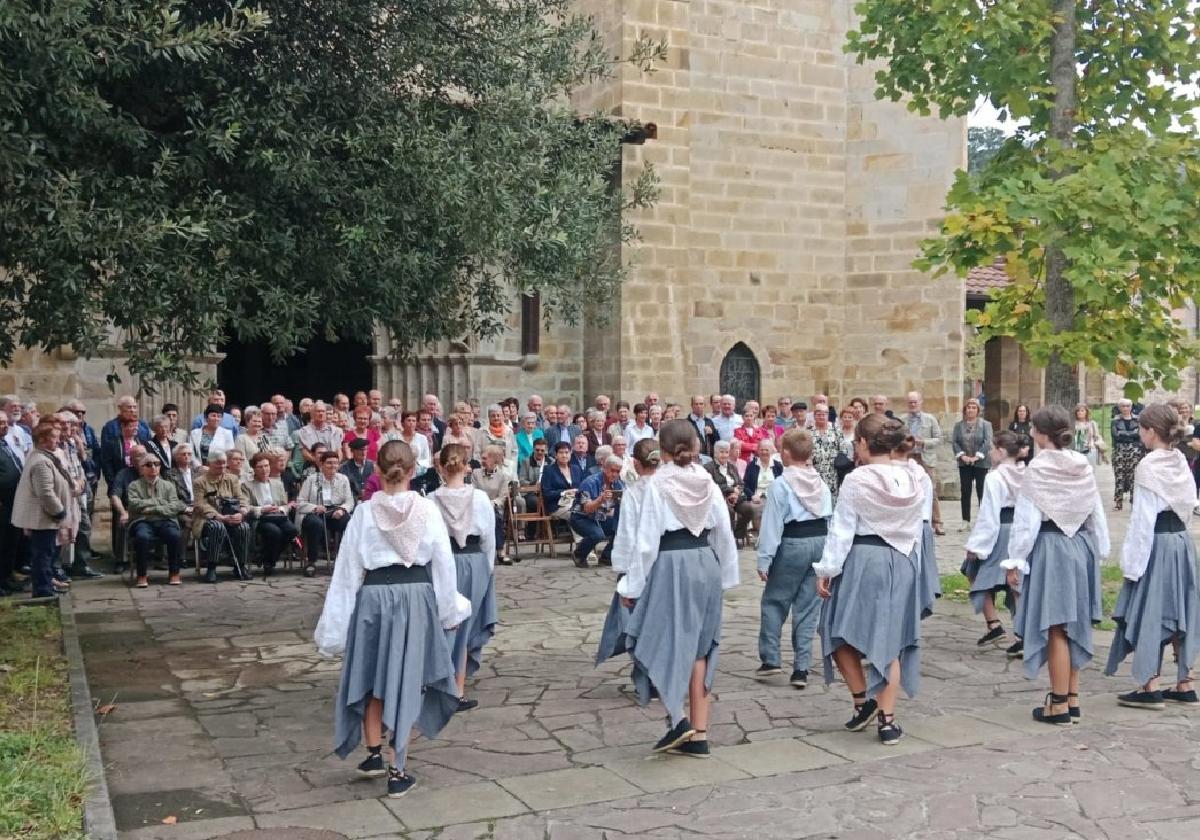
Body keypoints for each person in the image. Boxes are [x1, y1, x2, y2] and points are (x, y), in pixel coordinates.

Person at [313, 440, 470, 799]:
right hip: (414, 598)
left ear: (378, 472)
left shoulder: (364, 513)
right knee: (406, 678)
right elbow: (443, 566)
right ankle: (397, 769)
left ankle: (372, 754)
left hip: (372, 599)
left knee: (372, 675)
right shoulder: (428, 511)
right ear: (414, 471)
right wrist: (451, 611)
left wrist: (335, 628)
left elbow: (346, 573)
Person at [618, 420, 739, 757]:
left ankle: (679, 720)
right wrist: (726, 575)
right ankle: (698, 732)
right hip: (705, 561)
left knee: (669, 640)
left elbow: (646, 542)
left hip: (672, 562)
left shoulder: (658, 484)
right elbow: (724, 533)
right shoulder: (709, 482)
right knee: (700, 647)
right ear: (696, 447)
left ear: (664, 449)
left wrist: (632, 584)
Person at [816, 414, 924, 745]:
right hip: (904, 559)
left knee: (834, 630)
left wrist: (827, 570)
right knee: (888, 639)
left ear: (863, 443)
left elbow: (842, 528)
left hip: (864, 558)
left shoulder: (858, 479)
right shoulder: (913, 477)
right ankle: (883, 718)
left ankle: (866, 701)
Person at [1002, 405, 1109, 726]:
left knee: (1056, 626)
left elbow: (1026, 521)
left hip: (1050, 547)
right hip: (1081, 546)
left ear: (1044, 434)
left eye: (1034, 429)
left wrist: (1015, 560)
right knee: (1072, 622)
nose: (1031, 434)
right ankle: (1071, 697)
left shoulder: (1038, 469)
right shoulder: (1082, 465)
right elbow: (1096, 512)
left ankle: (1059, 703)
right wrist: (1100, 550)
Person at [1104, 403, 1200, 708]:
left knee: (1153, 607)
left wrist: (1132, 564)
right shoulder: (1181, 460)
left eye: (1141, 430)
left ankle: (1150, 684)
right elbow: (1188, 504)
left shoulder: (1147, 466)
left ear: (1150, 431)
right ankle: (1184, 682)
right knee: (1179, 607)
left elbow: (1142, 520)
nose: (1138, 435)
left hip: (1157, 542)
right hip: (1181, 541)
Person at [753, 430, 832, 690]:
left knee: (775, 600)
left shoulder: (781, 484)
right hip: (819, 541)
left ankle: (771, 658)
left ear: (785, 453)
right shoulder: (820, 483)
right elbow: (830, 518)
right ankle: (801, 668)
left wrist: (765, 559)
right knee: (808, 608)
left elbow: (772, 525)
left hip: (792, 543)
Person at [432, 444, 497, 711]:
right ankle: (456, 689)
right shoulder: (480, 498)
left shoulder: (431, 500)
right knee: (466, 625)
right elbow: (489, 539)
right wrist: (488, 569)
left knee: (447, 623)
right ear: (467, 465)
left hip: (445, 562)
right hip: (474, 562)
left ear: (441, 467)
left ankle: (443, 683)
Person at [595, 439, 660, 691]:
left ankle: (649, 679)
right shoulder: (669, 487)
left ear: (634, 463)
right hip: (668, 563)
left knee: (640, 623)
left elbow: (627, 536)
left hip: (642, 567)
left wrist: (624, 575)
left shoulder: (635, 493)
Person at [961, 430, 1026, 653]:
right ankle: (1009, 629)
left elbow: (989, 514)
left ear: (1000, 451)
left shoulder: (994, 477)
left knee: (973, 568)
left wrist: (976, 546)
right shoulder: (1025, 473)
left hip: (1001, 530)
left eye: (991, 449)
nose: (989, 453)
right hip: (1021, 529)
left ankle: (1000, 625)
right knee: (1015, 580)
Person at [10, 423, 73, 597]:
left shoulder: (43, 457)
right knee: (43, 555)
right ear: (44, 440)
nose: (58, 440)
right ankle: (43, 590)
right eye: (54, 437)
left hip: (45, 517)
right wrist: (58, 511)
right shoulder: (40, 462)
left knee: (45, 553)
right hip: (43, 517)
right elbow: (45, 492)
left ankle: (45, 586)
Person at [125, 454, 186, 587]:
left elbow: (174, 506)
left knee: (174, 535)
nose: (153, 467)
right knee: (142, 537)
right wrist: (161, 503)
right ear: (141, 469)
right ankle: (142, 575)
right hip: (143, 520)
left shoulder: (168, 485)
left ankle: (174, 573)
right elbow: (134, 504)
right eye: (148, 464)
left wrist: (153, 508)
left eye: (156, 464)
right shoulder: (134, 486)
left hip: (165, 520)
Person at [193, 452, 253, 584]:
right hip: (207, 519)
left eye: (223, 463)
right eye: (217, 463)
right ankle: (211, 567)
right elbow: (200, 504)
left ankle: (240, 566)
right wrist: (219, 516)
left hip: (232, 515)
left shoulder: (232, 479)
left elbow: (241, 497)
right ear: (209, 464)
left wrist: (242, 512)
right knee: (217, 527)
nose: (221, 466)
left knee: (244, 527)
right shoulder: (200, 482)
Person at [296, 451, 355, 577]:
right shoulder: (311, 479)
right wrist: (315, 507)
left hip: (335, 510)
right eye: (329, 463)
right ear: (321, 464)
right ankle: (311, 561)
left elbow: (350, 501)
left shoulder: (343, 479)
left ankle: (343, 559)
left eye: (335, 463)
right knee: (315, 524)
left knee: (348, 521)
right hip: (315, 512)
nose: (332, 466)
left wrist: (342, 510)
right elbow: (300, 502)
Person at [245, 452, 298, 576]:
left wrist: (280, 509)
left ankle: (264, 556)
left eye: (267, 466)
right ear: (254, 468)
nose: (264, 469)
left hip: (278, 516)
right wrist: (263, 509)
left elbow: (285, 504)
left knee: (292, 530)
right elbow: (246, 506)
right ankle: (269, 562)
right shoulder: (247, 485)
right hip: (261, 518)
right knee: (275, 532)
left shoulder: (277, 484)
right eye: (260, 467)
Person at [570, 456, 624, 568]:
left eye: (617, 471)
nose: (614, 474)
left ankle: (606, 556)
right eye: (612, 470)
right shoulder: (589, 482)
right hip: (581, 518)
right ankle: (579, 554)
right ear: (604, 468)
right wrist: (601, 499)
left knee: (622, 528)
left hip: (601, 517)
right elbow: (587, 508)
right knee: (597, 535)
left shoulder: (618, 484)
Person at [469, 445, 516, 564]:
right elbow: (472, 491)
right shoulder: (476, 473)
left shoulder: (502, 476)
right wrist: (482, 503)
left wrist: (491, 503)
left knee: (495, 518)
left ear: (494, 460)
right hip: (477, 507)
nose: (482, 461)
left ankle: (500, 551)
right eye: (482, 458)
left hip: (494, 507)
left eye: (485, 458)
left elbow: (502, 497)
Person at [952, 398, 993, 522]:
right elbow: (955, 442)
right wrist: (962, 455)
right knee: (965, 491)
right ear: (965, 410)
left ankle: (983, 520)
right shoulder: (958, 425)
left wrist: (977, 456)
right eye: (968, 407)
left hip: (981, 462)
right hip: (964, 462)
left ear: (978, 410)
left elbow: (987, 442)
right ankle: (966, 520)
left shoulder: (986, 424)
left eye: (973, 408)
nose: (971, 410)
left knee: (982, 491)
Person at [740, 439, 783, 538]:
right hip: (756, 496)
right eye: (762, 450)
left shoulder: (777, 465)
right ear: (758, 451)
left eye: (767, 450)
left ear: (772, 451)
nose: (764, 452)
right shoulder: (752, 465)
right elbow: (745, 485)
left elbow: (782, 484)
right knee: (756, 508)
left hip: (773, 496)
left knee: (775, 509)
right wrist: (752, 495)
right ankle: (761, 536)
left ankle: (772, 535)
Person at [704, 440, 747, 537]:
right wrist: (730, 490)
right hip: (719, 499)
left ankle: (737, 535)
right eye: (721, 452)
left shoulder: (732, 467)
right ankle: (728, 538)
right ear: (715, 453)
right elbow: (712, 486)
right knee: (729, 511)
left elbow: (740, 483)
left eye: (726, 452)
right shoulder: (708, 468)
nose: (724, 455)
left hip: (735, 499)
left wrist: (736, 494)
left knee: (749, 509)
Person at [1111, 398, 1144, 511]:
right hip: (1119, 451)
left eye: (1127, 406)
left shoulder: (1138, 420)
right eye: (1123, 406)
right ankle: (1118, 503)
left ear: (1131, 407)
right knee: (1119, 477)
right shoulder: (1115, 420)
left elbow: (1139, 435)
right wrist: (1131, 434)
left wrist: (1124, 434)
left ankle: (1134, 502)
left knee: (1134, 477)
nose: (1125, 408)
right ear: (1119, 408)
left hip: (1134, 451)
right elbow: (1115, 436)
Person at [540, 441, 583, 522]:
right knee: (576, 514)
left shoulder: (576, 468)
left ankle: (591, 534)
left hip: (575, 503)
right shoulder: (549, 470)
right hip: (557, 506)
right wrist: (564, 492)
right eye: (561, 452)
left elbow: (581, 487)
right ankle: (584, 534)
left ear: (570, 453)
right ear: (556, 455)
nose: (564, 455)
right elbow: (546, 493)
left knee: (588, 512)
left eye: (566, 452)